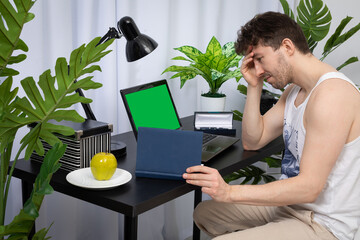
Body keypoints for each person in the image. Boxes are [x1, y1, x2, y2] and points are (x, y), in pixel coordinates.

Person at [182, 11, 360, 240]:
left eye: (260, 59)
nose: (258, 69)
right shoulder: (294, 90)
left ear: (287, 47)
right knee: (206, 213)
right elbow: (253, 140)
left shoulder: (332, 96)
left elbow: (310, 187)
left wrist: (230, 192)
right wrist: (254, 86)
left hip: (323, 223)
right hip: (291, 206)